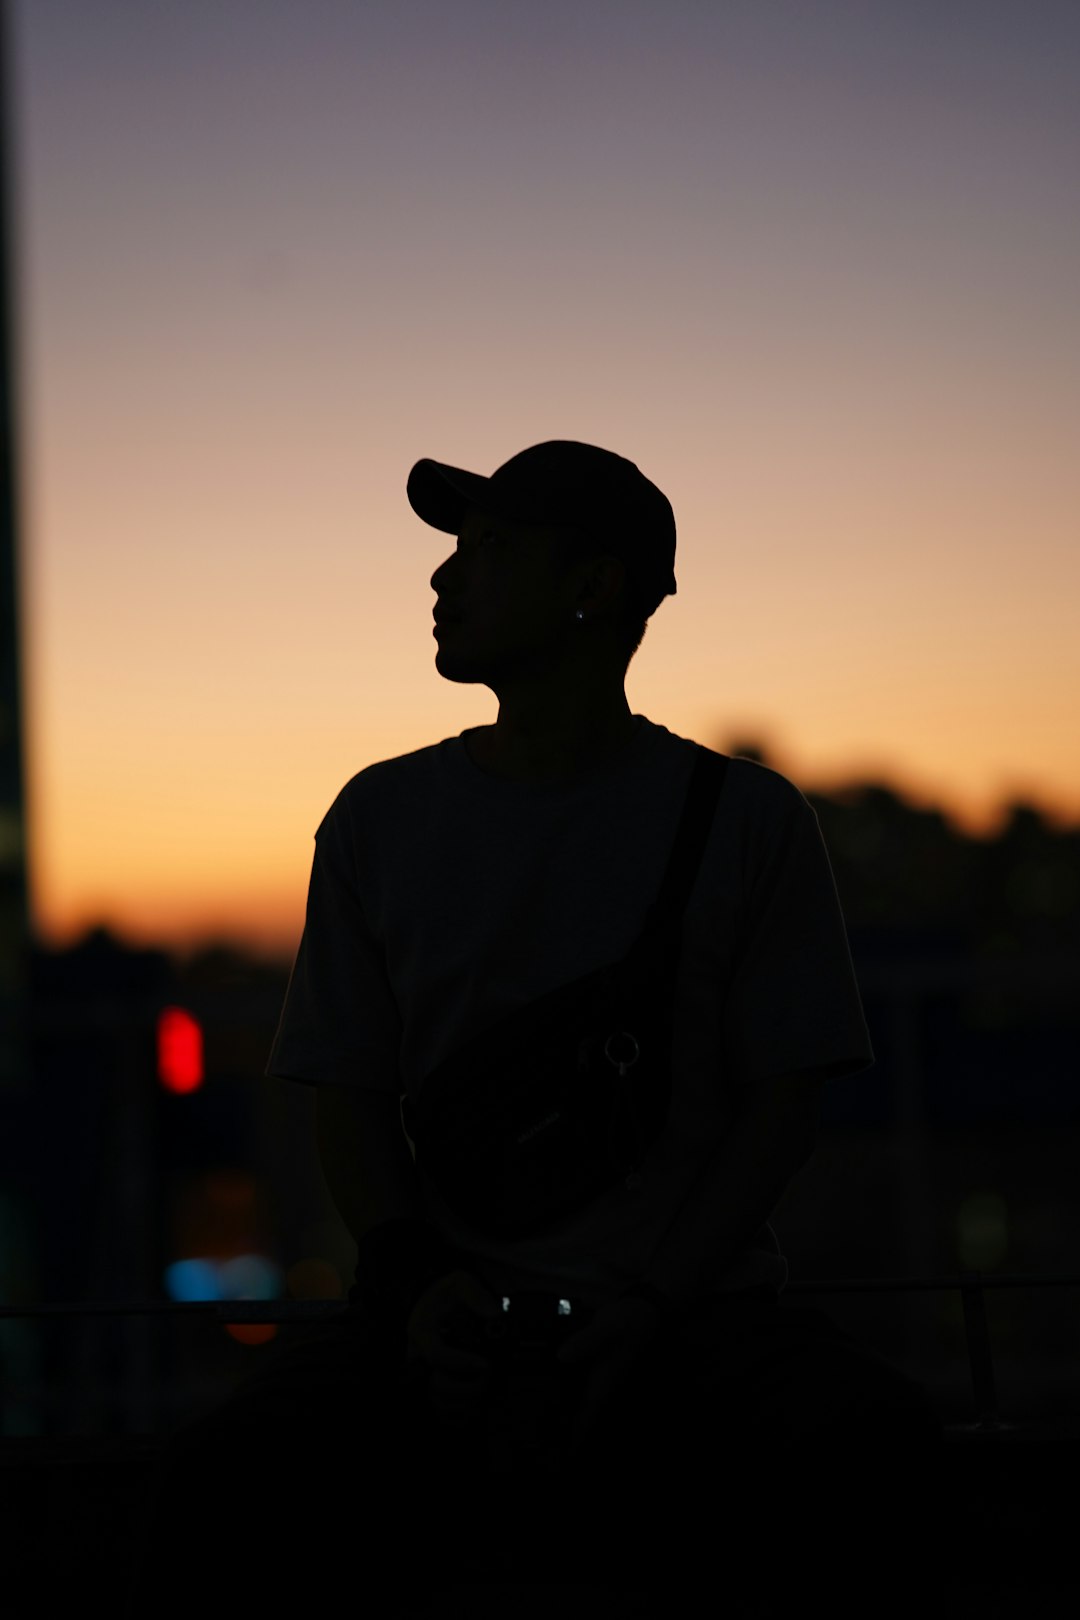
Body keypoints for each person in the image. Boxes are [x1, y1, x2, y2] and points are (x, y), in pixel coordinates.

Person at [128, 441, 947, 1618]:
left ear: (592, 587)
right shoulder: (382, 818)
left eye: (485, 551)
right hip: (538, 1320)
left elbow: (779, 1106)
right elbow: (350, 1096)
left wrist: (639, 1304)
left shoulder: (740, 820)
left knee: (866, 1454)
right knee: (221, 1485)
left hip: (677, 1318)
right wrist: (423, 1293)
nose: (441, 581)